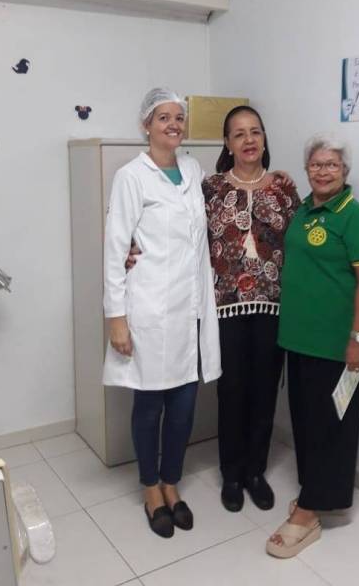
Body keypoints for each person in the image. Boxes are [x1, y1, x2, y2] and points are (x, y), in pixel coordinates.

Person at [102, 87, 221, 539]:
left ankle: (172, 482)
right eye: (163, 117)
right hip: (148, 308)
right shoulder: (131, 176)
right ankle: (150, 488)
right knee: (150, 404)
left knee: (185, 405)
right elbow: (116, 247)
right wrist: (116, 317)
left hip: (190, 309)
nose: (174, 124)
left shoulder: (192, 169)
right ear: (146, 125)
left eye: (179, 117)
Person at [266, 134, 359, 558]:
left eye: (332, 164)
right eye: (316, 164)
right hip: (298, 340)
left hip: (336, 347)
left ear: (345, 170)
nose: (323, 171)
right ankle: (314, 493)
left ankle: (308, 513)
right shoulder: (303, 211)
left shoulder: (357, 218)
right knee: (307, 423)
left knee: (331, 428)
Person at [202, 106, 301, 513]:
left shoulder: (283, 189)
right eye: (239, 133)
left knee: (263, 391)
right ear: (227, 143)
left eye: (255, 132)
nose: (248, 140)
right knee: (231, 391)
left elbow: (300, 244)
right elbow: (182, 234)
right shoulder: (209, 188)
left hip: (272, 306)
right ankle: (231, 473)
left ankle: (255, 472)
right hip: (225, 308)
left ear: (264, 139)